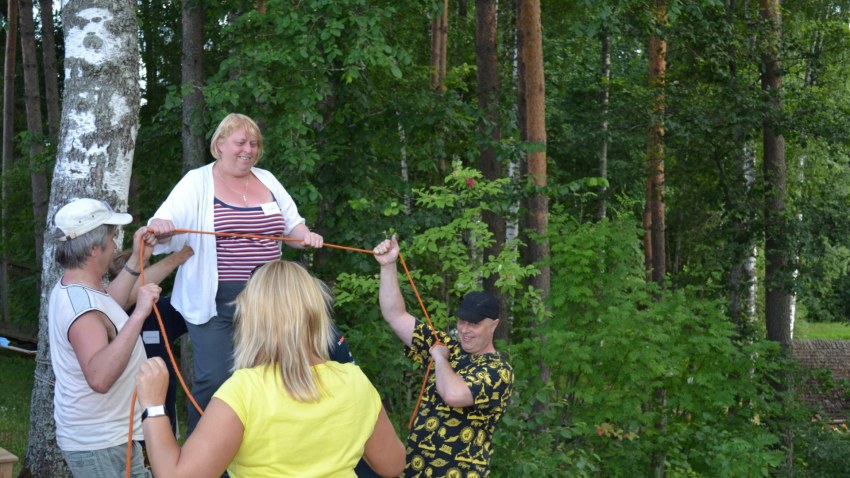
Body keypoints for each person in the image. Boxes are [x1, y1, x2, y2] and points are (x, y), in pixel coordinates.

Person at [135, 260, 406, 478]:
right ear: (315, 314)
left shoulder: (244, 391)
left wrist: (154, 405)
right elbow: (393, 465)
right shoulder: (354, 380)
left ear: (252, 318)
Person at [145, 113, 324, 436]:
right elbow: (162, 223)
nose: (248, 150)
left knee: (270, 374)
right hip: (214, 302)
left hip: (268, 301)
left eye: (254, 144)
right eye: (240, 142)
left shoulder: (267, 180)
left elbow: (294, 226)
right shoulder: (197, 182)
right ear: (219, 145)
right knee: (216, 378)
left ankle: (260, 446)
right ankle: (201, 451)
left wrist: (306, 236)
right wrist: (160, 226)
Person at [372, 235, 514, 478]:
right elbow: (396, 316)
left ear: (494, 325)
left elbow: (453, 394)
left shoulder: (499, 371)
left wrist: (439, 358)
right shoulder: (448, 347)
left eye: (474, 324)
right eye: (461, 321)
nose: (464, 330)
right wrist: (388, 265)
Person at [47, 198, 161, 477]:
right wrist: (139, 314)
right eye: (111, 239)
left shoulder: (80, 289)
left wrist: (136, 260)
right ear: (94, 248)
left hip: (110, 439)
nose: (115, 246)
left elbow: (108, 312)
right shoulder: (82, 310)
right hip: (101, 444)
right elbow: (99, 378)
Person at [109, 246, 194, 436]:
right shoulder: (111, 311)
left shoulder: (163, 308)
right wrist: (180, 255)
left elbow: (195, 306)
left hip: (163, 409)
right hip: (124, 418)